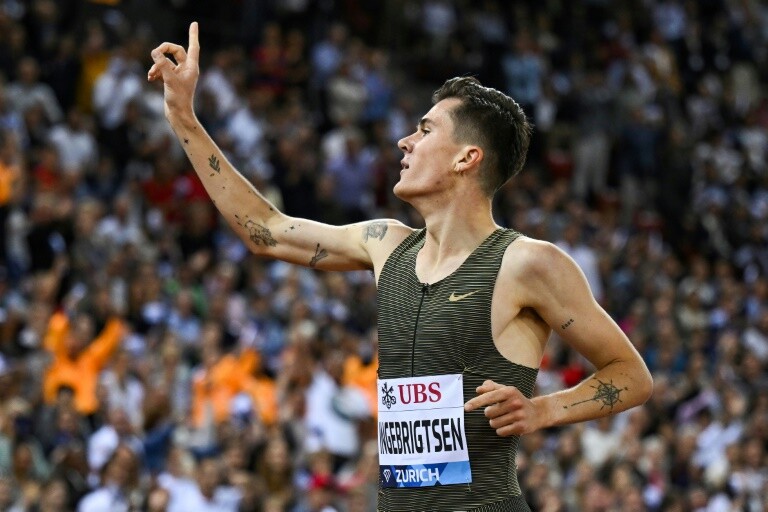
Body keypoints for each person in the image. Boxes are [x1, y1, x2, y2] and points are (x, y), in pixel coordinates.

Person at [148, 23, 653, 511]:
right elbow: (266, 229)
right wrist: (183, 118)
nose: (404, 142)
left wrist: (543, 409)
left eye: (425, 130)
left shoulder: (527, 263)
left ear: (466, 158)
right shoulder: (385, 244)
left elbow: (632, 375)